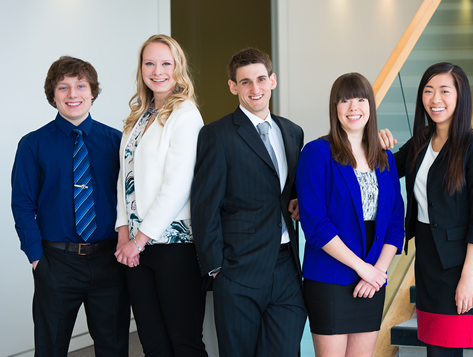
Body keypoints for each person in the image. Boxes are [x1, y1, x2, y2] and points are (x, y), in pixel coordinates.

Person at [191, 47, 307, 357]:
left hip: (286, 268)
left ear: (272, 80)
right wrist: (216, 269)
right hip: (238, 268)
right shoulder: (216, 135)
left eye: (260, 79)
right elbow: (205, 205)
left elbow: (291, 190)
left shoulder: (293, 133)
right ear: (233, 87)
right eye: (245, 82)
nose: (254, 89)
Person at [11, 56, 130, 356]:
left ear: (93, 92)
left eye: (80, 85)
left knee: (113, 346)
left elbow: (130, 199)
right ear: (53, 95)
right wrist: (36, 257)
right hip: (56, 263)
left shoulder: (117, 142)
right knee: (50, 348)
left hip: (108, 262)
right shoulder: (32, 144)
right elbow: (23, 204)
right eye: (63, 87)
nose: (73, 94)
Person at [379, 62, 473, 357]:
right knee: (435, 350)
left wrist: (468, 277)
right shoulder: (421, 140)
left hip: (461, 265)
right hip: (429, 261)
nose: (435, 99)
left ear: (460, 97)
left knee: (445, 352)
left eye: (444, 91)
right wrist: (377, 145)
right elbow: (385, 170)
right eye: (428, 91)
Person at [295, 72, 405, 357]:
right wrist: (363, 269)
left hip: (372, 277)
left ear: (370, 105)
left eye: (360, 99)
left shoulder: (386, 158)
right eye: (344, 101)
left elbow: (395, 223)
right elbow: (316, 225)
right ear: (335, 108)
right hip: (331, 276)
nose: (353, 107)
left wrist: (377, 272)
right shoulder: (317, 153)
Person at [114, 34, 207, 356]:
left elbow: (178, 185)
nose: (157, 71)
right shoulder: (137, 117)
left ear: (177, 68)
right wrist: (124, 235)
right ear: (141, 68)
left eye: (165, 63)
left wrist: (139, 240)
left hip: (173, 246)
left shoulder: (185, 113)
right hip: (136, 248)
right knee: (152, 342)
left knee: (184, 342)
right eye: (149, 63)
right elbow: (123, 181)